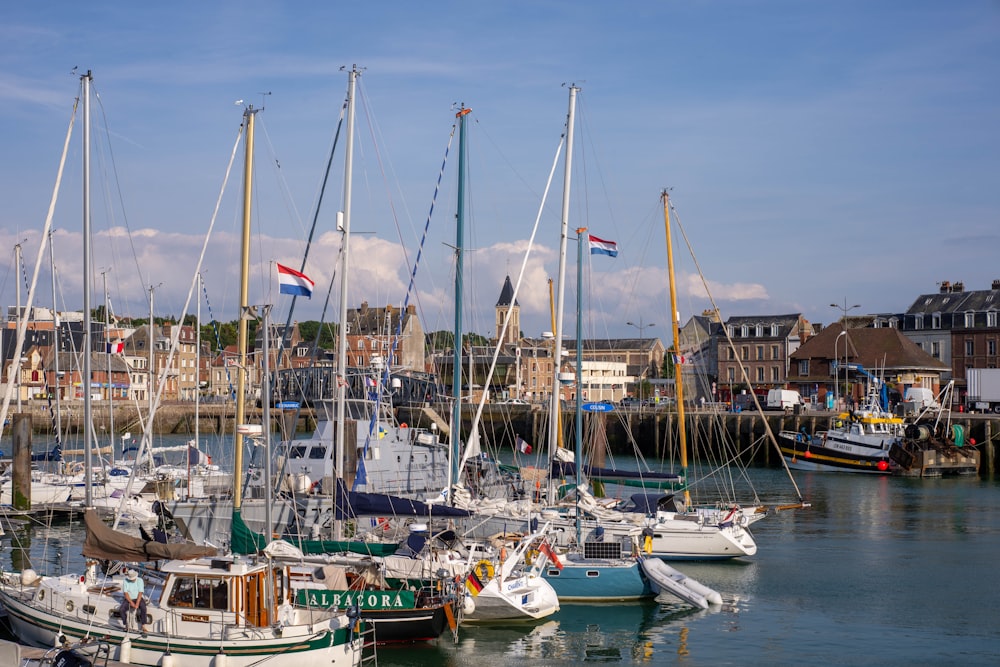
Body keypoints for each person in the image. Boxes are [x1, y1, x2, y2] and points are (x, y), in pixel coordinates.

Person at [120, 568, 148, 633]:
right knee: (122, 610)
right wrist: (131, 602)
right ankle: (126, 624)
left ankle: (143, 625)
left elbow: (140, 592)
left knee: (143, 608)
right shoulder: (125, 581)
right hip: (129, 599)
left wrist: (137, 603)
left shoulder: (140, 580)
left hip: (138, 598)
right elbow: (125, 593)